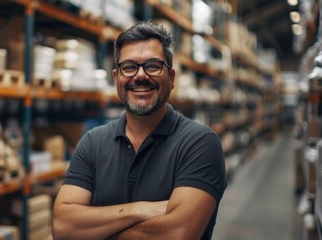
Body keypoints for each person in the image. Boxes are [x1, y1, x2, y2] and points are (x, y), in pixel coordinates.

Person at [52, 21, 227, 240]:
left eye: (153, 66)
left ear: (171, 79)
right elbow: (62, 225)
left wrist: (94, 231)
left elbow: (177, 234)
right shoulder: (92, 142)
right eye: (129, 67)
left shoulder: (200, 143)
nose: (140, 76)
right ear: (116, 78)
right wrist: (141, 209)